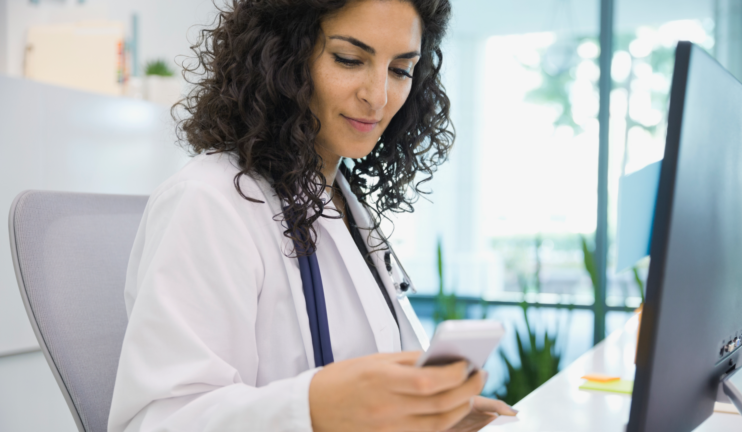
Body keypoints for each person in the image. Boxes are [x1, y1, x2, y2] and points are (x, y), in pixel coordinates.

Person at [108, 0, 517, 431]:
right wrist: (311, 408)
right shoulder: (209, 200)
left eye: (400, 70)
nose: (377, 96)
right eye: (349, 59)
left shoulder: (343, 202)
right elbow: (161, 421)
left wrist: (425, 417)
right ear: (281, 56)